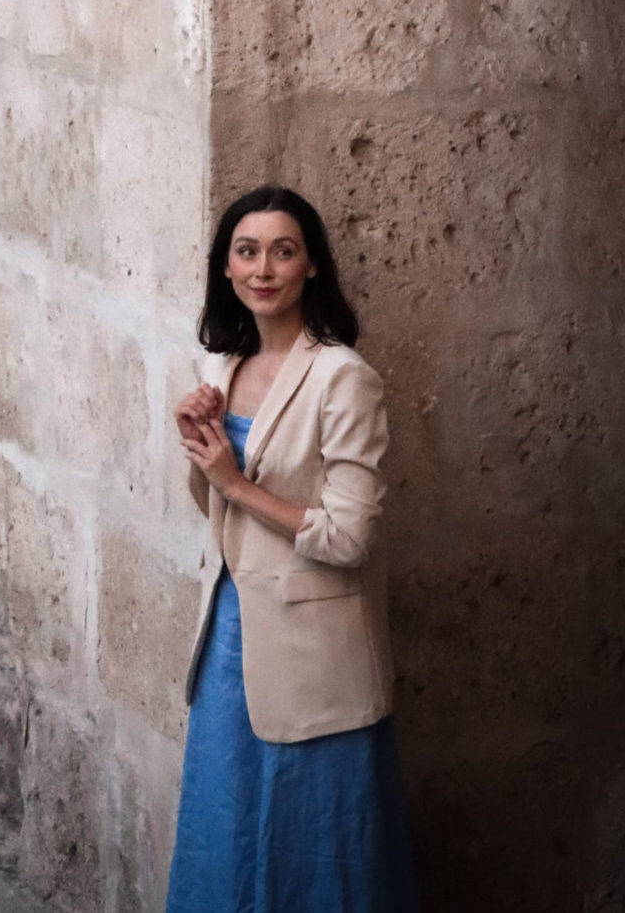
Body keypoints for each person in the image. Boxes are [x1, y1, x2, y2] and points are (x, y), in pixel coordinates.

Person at [166, 185, 417, 913]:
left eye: (283, 250)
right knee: (225, 827)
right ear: (225, 268)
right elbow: (214, 507)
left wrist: (235, 483)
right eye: (246, 251)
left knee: (316, 846)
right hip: (229, 640)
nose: (262, 267)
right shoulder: (220, 366)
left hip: (313, 650)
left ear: (311, 266)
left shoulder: (343, 376)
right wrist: (199, 452)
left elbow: (348, 535)